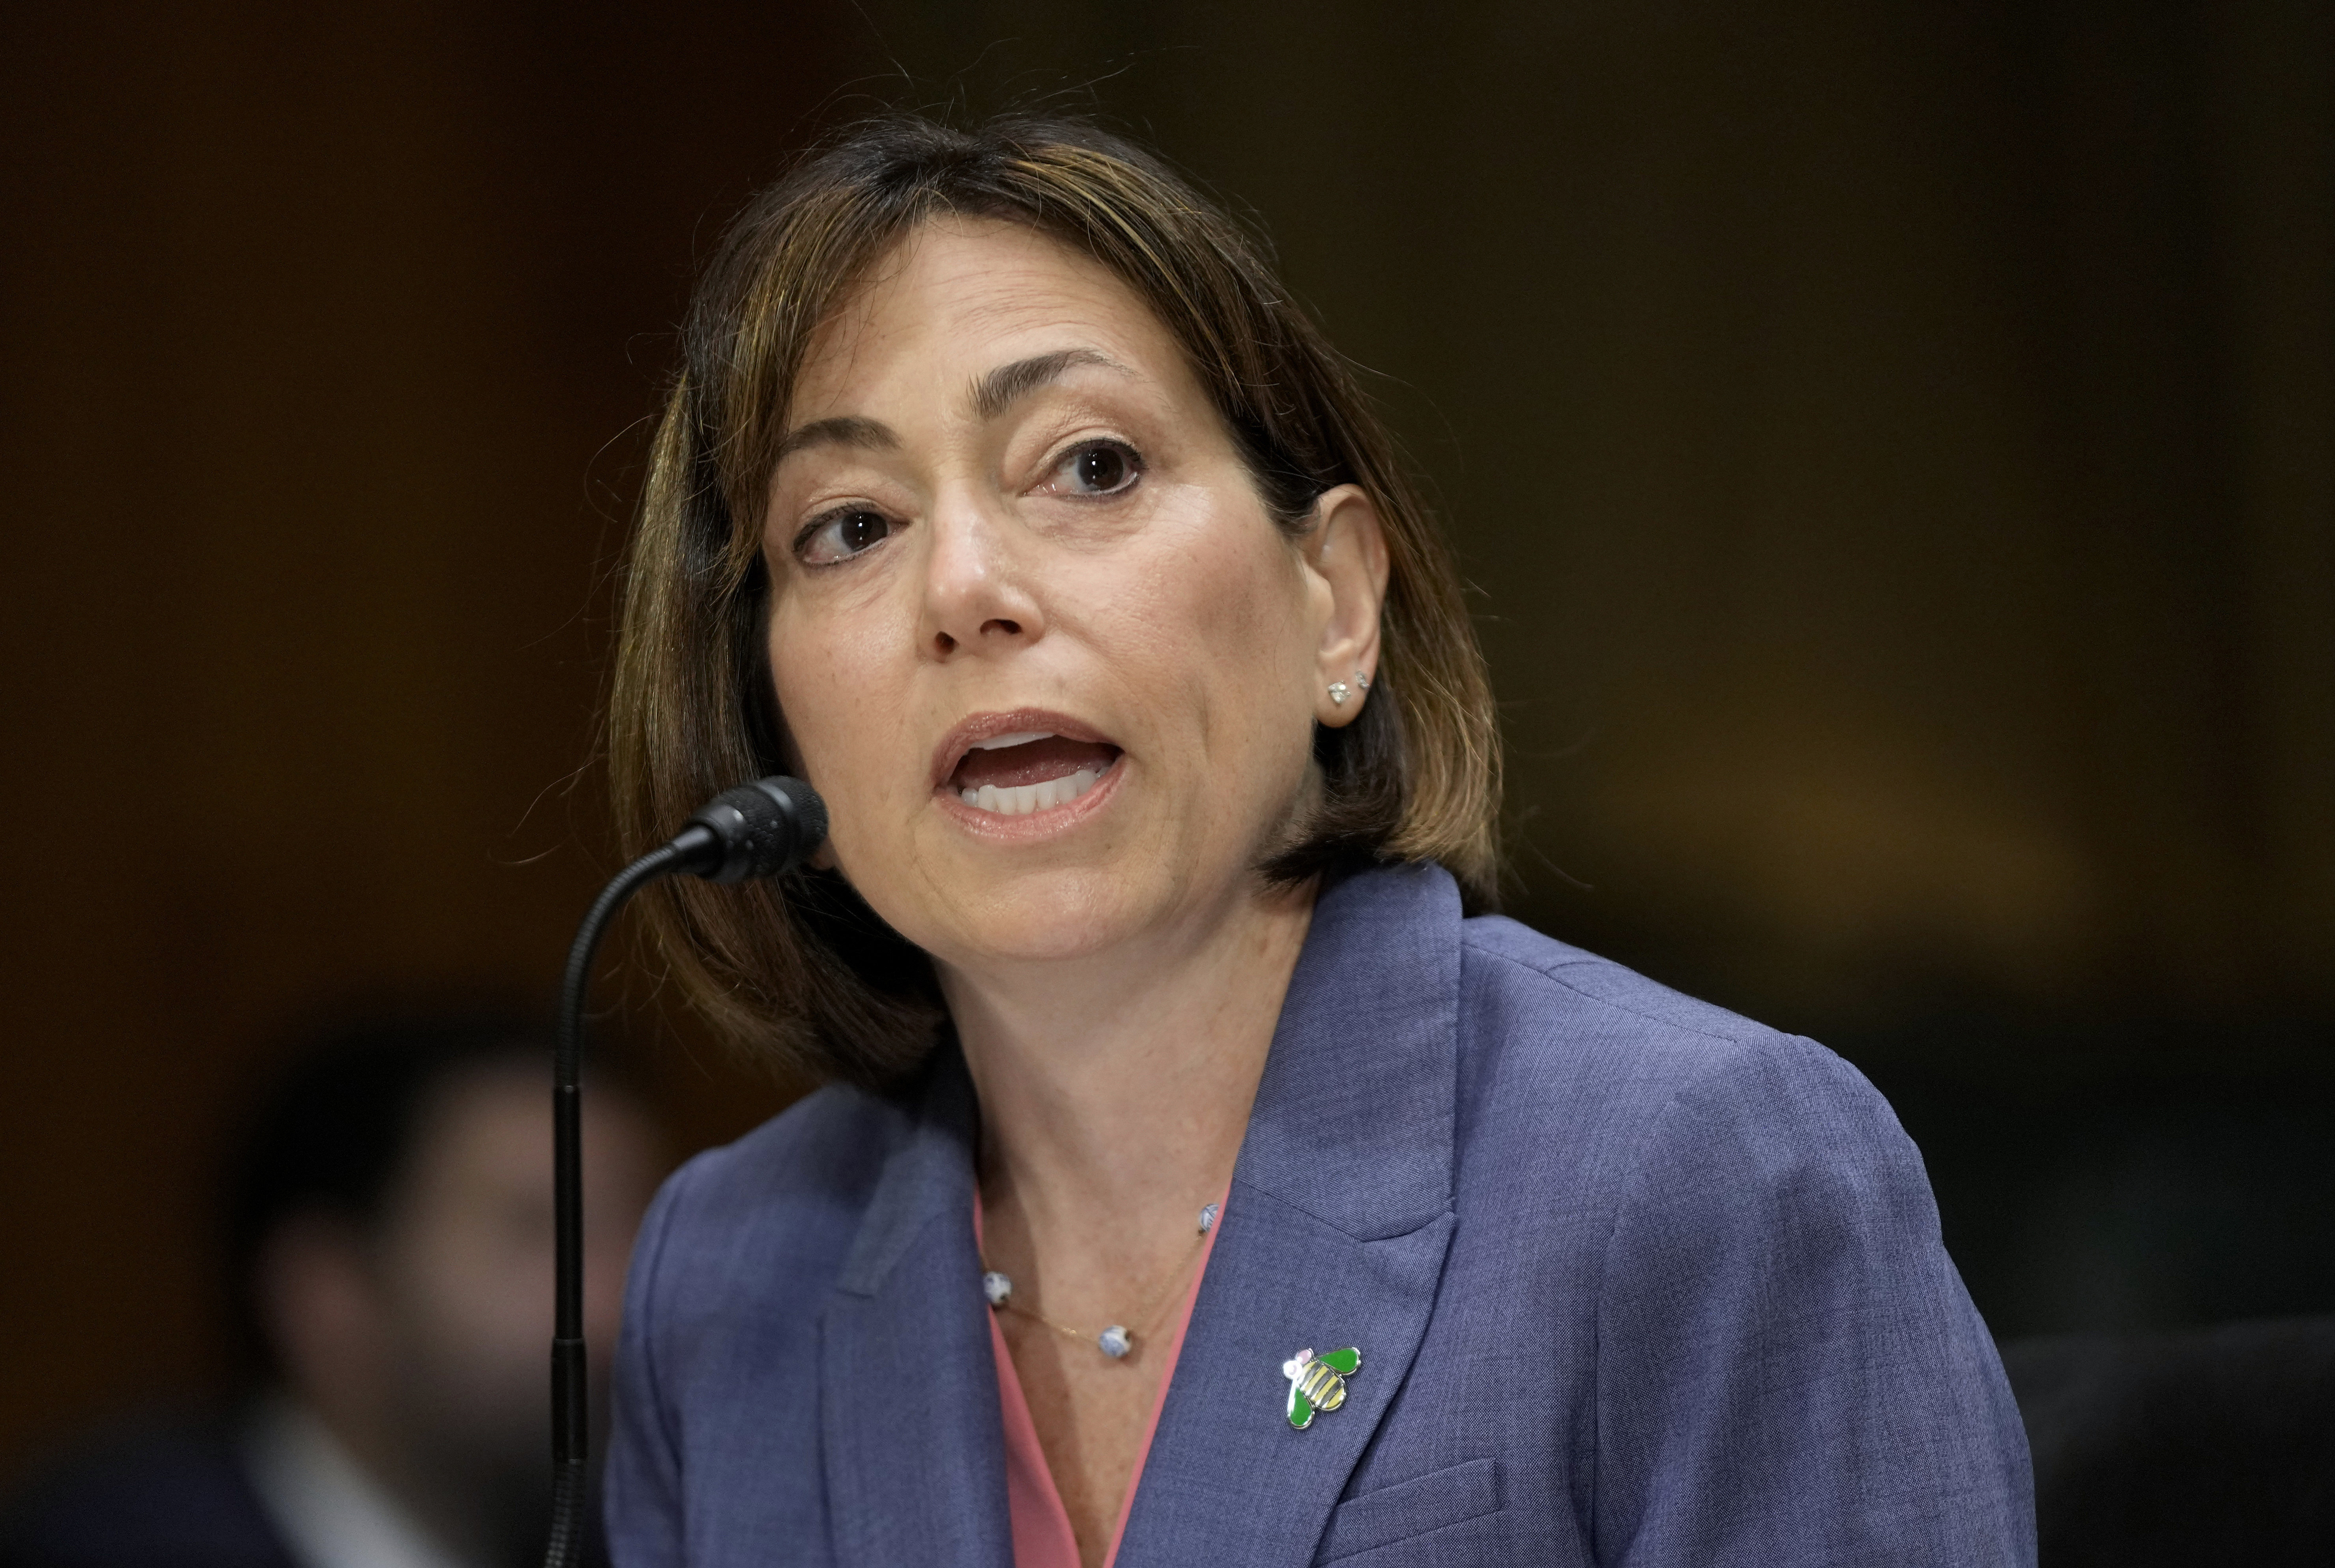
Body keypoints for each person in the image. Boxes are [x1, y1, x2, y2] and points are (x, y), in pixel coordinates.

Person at [599, 112, 2035, 1567]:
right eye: (849, 527)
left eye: (1090, 466)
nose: (966, 587)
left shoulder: (1696, 1170)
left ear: (1335, 607)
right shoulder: (727, 1278)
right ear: (773, 731)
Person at [0, 1013, 662, 1568]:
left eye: (647, 1223)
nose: (621, 1299)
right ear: (327, 1297)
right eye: (535, 1232)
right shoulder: (116, 1543)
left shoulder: (633, 1538)